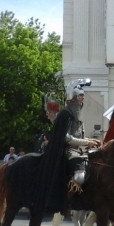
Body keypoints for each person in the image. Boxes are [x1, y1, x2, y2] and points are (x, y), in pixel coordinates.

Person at [31, 79, 100, 214]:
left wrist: (92, 141)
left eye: (83, 95)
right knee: (79, 176)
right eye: (80, 95)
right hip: (68, 150)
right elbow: (67, 138)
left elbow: (80, 136)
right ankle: (67, 201)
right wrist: (87, 142)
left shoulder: (78, 114)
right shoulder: (66, 114)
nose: (83, 98)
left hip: (80, 150)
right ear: (73, 97)